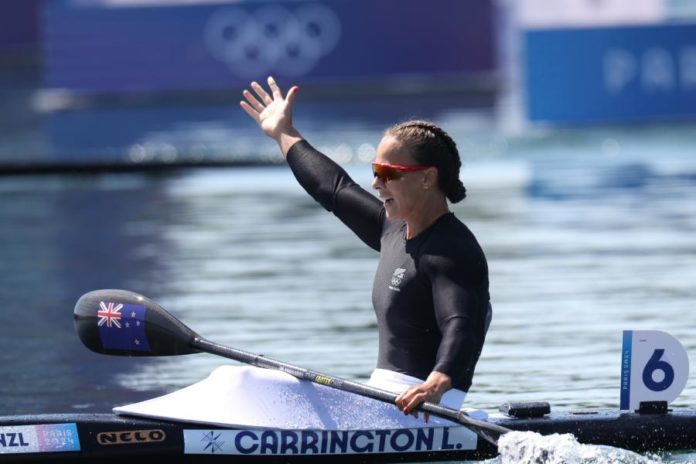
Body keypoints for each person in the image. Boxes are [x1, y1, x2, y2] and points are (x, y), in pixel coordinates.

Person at [240, 76, 492, 422]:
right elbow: (332, 188)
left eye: (388, 173)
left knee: (250, 385)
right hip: (384, 404)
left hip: (425, 410)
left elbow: (460, 323)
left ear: (427, 177)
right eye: (376, 171)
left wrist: (439, 380)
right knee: (247, 381)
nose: (376, 183)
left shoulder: (452, 249)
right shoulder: (392, 230)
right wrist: (283, 132)